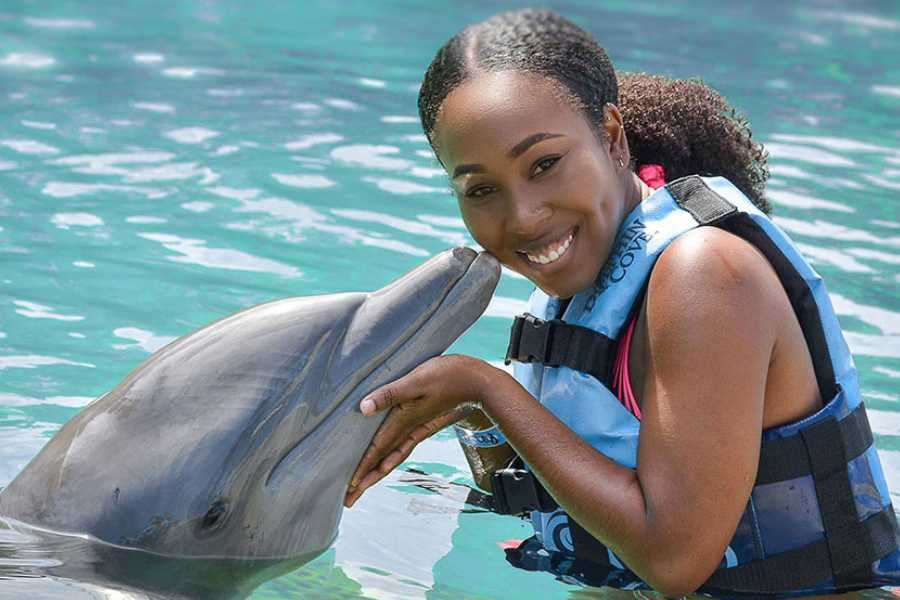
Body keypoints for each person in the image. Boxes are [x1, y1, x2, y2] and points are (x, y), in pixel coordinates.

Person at [343, 8, 900, 597]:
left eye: (545, 164)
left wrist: (487, 388)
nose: (523, 216)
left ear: (611, 138)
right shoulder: (593, 276)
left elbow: (674, 561)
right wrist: (479, 422)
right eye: (481, 190)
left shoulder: (705, 275)